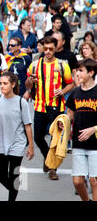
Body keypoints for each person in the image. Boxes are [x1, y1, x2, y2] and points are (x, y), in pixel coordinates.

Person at [24, 36, 75, 180]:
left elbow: (71, 84)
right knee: (38, 137)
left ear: (55, 48)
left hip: (56, 107)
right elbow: (28, 85)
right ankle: (48, 159)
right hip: (39, 106)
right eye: (45, 49)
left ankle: (53, 168)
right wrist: (30, 81)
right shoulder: (35, 65)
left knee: (55, 138)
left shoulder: (62, 65)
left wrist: (63, 91)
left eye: (50, 49)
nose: (47, 52)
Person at [0, 72, 34, 201]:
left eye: (5, 83)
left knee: (14, 174)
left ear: (13, 84)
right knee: (1, 175)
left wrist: (31, 147)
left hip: (17, 144)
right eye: (0, 83)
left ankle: (12, 198)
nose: (2, 86)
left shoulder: (21, 102)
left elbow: (27, 125)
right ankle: (16, 188)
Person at [63, 58, 97, 201]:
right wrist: (63, 122)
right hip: (78, 141)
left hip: (95, 143)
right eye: (77, 70)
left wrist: (93, 129)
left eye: (81, 71)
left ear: (91, 72)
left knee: (94, 181)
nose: (77, 73)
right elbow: (70, 114)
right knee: (77, 181)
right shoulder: (75, 93)